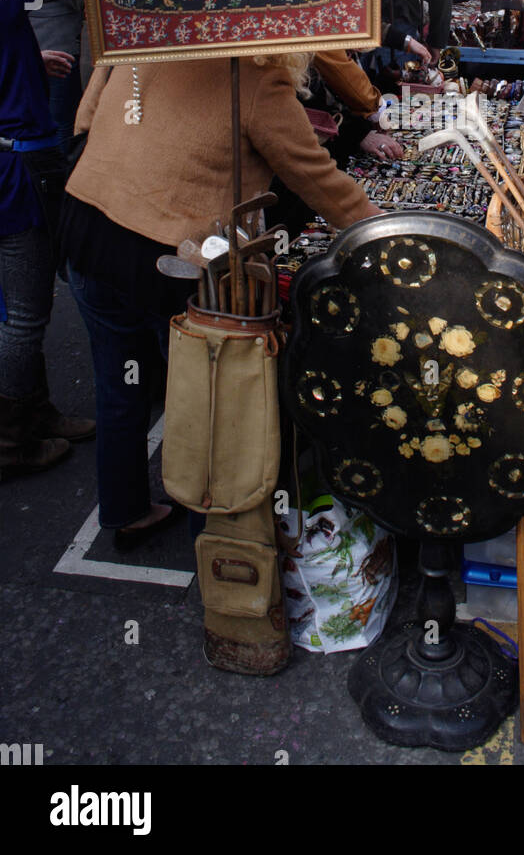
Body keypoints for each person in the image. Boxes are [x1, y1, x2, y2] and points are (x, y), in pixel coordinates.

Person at [59, 54, 380, 544]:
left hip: (88, 227)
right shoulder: (256, 77)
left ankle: (124, 510)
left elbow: (86, 113)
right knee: (203, 403)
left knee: (119, 385)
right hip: (170, 258)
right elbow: (318, 179)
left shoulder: (148, 44)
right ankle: (212, 543)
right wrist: (387, 233)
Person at [1, 0, 95, 479]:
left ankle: (34, 412)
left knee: (17, 308)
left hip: (13, 151)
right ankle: (10, 438)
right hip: (16, 167)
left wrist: (24, 59)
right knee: (25, 314)